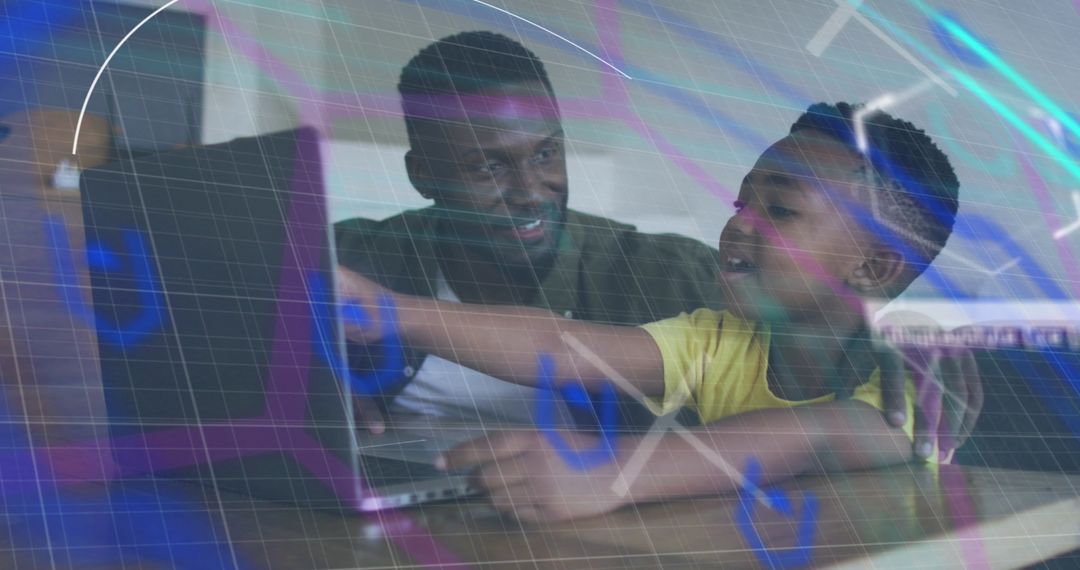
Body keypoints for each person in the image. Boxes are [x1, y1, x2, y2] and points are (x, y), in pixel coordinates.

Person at [334, 31, 977, 459]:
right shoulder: (353, 255)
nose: (531, 192)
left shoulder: (673, 279)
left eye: (547, 153)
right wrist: (315, 381)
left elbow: (807, 418)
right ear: (423, 175)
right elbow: (556, 343)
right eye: (487, 167)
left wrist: (916, 327)